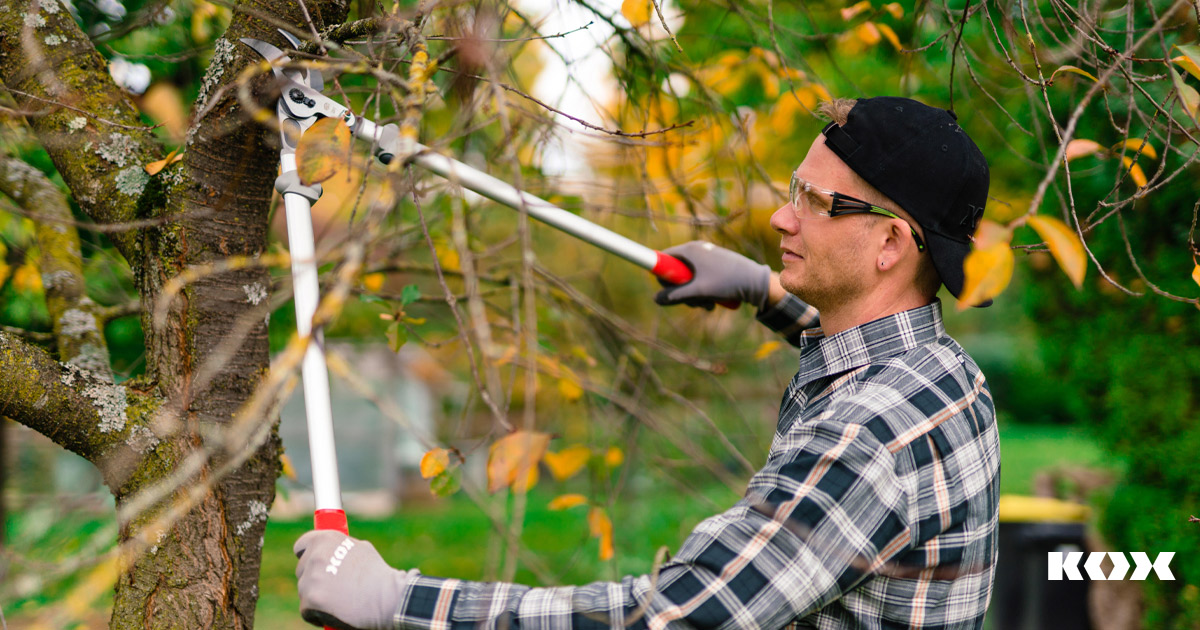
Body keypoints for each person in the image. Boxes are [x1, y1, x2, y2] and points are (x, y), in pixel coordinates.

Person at [293, 96, 1001, 630]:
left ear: (889, 245)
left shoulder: (869, 436)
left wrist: (400, 602)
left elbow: (679, 617)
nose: (783, 219)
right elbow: (858, 358)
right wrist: (763, 292)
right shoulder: (945, 375)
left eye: (816, 203)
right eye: (795, 189)